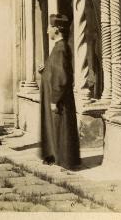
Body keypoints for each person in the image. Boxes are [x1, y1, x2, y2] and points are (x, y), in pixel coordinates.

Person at [39, 14, 81, 169]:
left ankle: (65, 160)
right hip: (57, 96)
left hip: (59, 98)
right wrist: (46, 69)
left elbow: (62, 77)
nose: (47, 30)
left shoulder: (60, 49)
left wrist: (54, 100)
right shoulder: (59, 47)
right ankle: (57, 157)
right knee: (56, 129)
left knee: (60, 129)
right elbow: (56, 70)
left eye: (49, 27)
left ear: (56, 29)